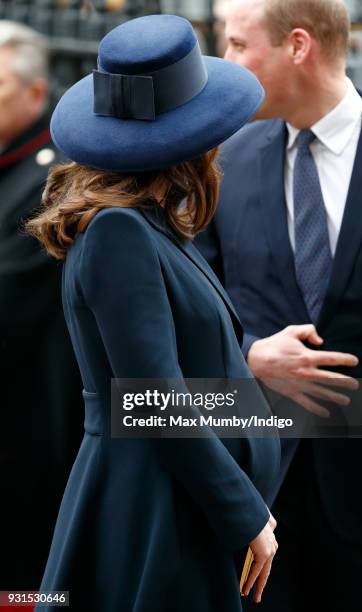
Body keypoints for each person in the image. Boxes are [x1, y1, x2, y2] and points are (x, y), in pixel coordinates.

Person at [27, 14, 281, 612]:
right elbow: (154, 399)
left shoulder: (150, 224)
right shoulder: (120, 231)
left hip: (179, 501)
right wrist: (245, 512)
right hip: (157, 509)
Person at [195, 0, 362, 610]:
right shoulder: (222, 158)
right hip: (258, 489)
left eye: (237, 45)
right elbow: (193, 299)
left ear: (298, 46)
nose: (224, 63)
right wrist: (247, 357)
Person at [0, 21, 83, 589]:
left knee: (29, 573)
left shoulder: (50, 176)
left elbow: (11, 293)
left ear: (34, 93)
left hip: (32, 411)